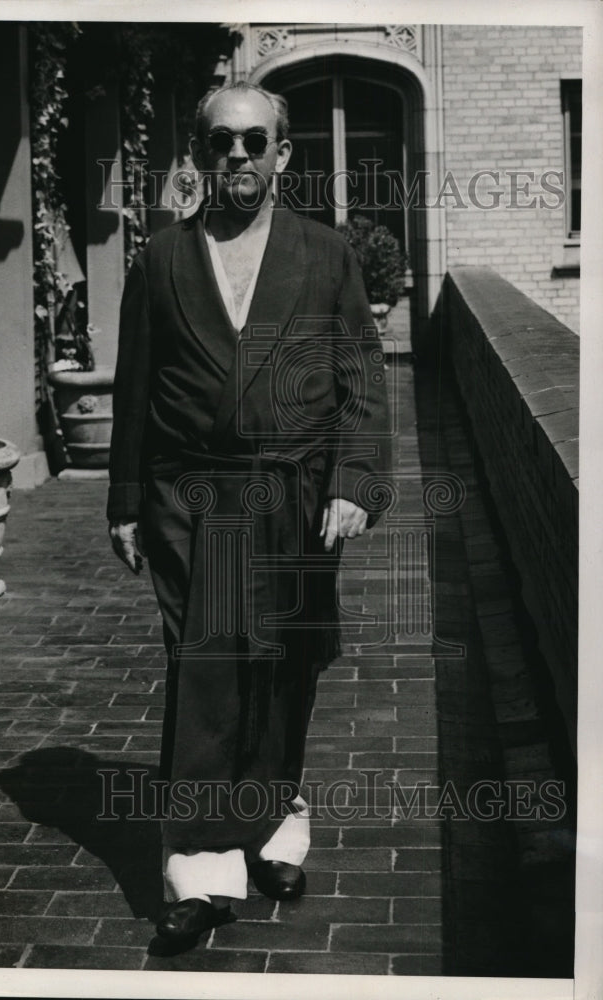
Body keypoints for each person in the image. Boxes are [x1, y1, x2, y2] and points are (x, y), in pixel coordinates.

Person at [107, 80, 391, 948]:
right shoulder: (159, 259)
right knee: (208, 673)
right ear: (197, 153)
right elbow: (134, 391)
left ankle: (267, 829)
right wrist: (124, 501)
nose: (238, 156)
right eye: (221, 142)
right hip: (191, 499)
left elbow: (362, 383)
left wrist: (354, 482)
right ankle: (199, 869)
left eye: (254, 142)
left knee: (282, 667)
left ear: (283, 155)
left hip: (295, 496)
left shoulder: (325, 254)